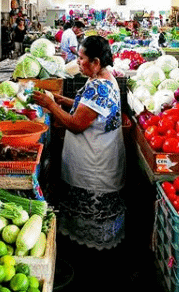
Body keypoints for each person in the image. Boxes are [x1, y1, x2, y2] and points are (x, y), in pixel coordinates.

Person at [32, 35, 125, 249]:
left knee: (90, 230)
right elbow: (89, 108)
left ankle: (88, 264)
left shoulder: (100, 86)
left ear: (96, 62)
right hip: (99, 157)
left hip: (94, 166)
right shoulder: (102, 78)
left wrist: (51, 105)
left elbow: (76, 124)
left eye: (81, 59)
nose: (77, 63)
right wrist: (62, 100)